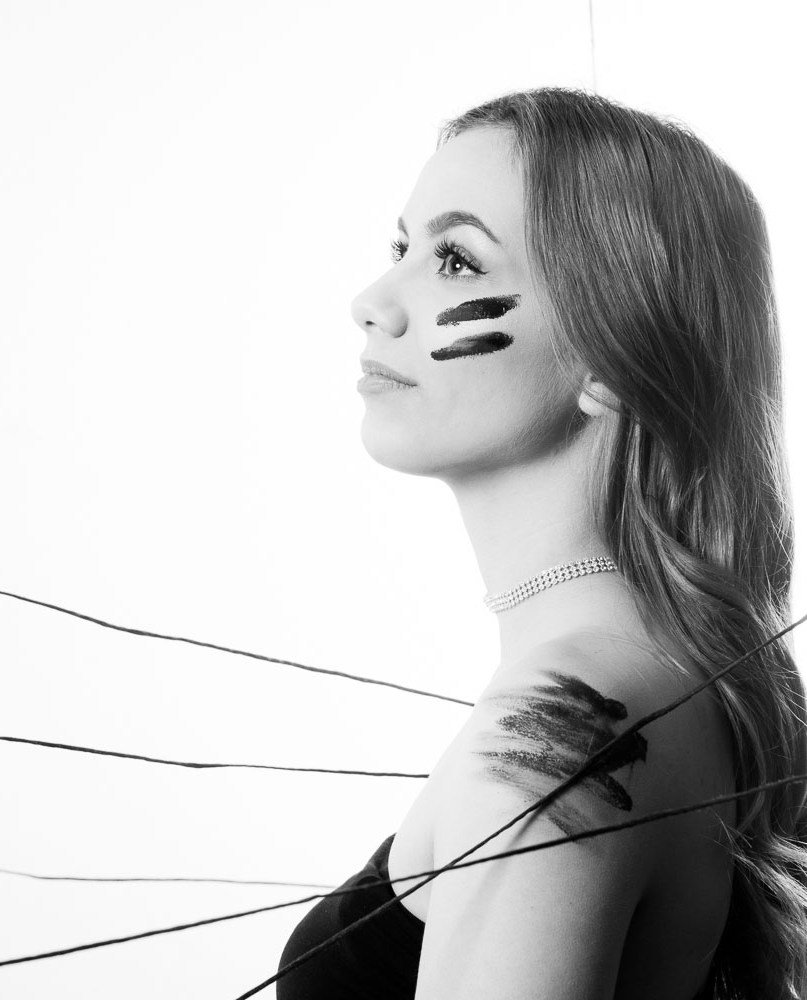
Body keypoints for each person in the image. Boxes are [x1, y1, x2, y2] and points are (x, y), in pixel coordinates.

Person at [276, 88, 807, 999]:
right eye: (401, 250)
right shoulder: (661, 676)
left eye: (455, 259)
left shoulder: (557, 731)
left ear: (615, 352)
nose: (372, 303)